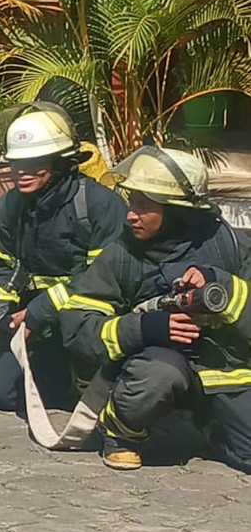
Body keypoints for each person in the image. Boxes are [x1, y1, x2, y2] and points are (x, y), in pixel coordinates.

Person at [59, 146, 251, 473]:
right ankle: (120, 429)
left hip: (221, 368)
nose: (130, 214)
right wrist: (145, 329)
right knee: (159, 375)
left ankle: (214, 421)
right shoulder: (121, 255)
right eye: (130, 201)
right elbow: (77, 329)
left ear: (177, 211)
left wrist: (222, 286)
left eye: (143, 206)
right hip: (158, 365)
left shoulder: (230, 245)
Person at [0, 102, 126, 414]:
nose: (21, 172)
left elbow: (105, 279)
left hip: (88, 319)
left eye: (33, 163)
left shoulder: (100, 205)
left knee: (82, 394)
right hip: (35, 320)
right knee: (4, 395)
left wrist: (40, 311)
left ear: (60, 163)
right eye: (16, 163)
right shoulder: (9, 208)